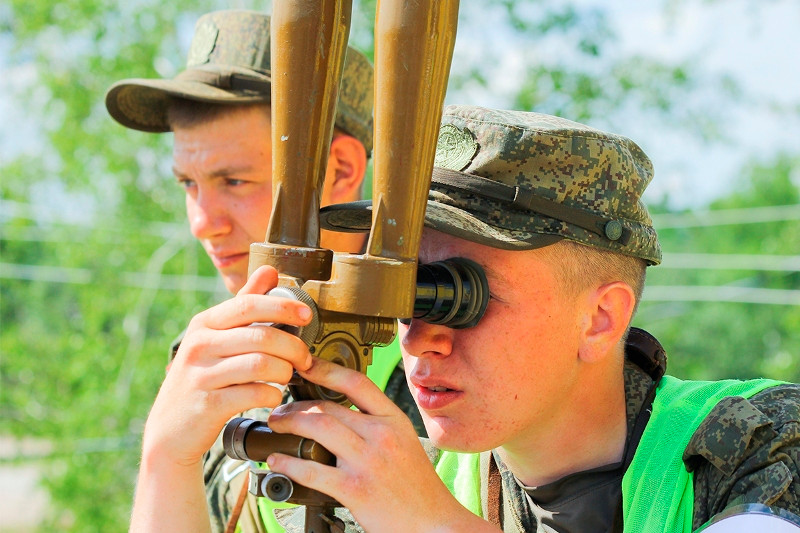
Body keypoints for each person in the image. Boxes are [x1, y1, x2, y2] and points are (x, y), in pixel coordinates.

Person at [130, 105, 800, 532]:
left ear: (599, 317)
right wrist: (168, 455)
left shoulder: (760, 446)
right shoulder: (405, 482)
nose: (422, 336)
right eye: (407, 295)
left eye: (459, 295)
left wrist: (434, 525)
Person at [105, 10, 424, 533]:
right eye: (189, 184)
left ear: (341, 170)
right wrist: (166, 456)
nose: (202, 224)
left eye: (233, 181)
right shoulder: (220, 356)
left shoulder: (444, 353)